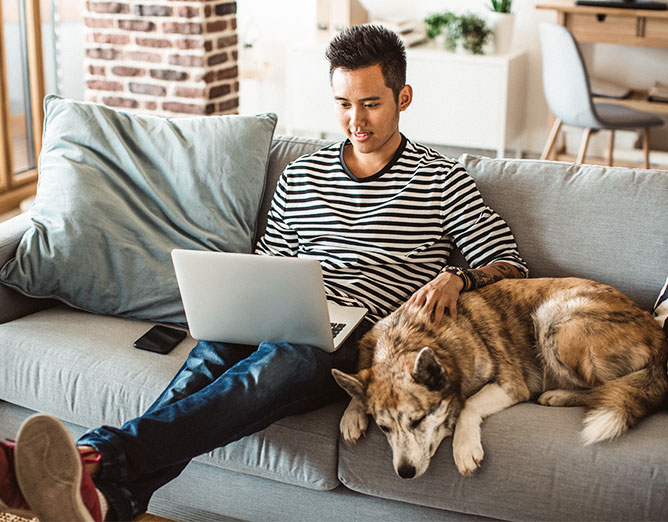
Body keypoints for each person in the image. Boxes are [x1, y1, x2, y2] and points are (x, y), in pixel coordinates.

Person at [0, 25, 528, 521]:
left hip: (368, 337)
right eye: (343, 105)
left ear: (402, 98)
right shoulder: (302, 175)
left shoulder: (441, 179)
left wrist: (458, 277)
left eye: (371, 104)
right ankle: (111, 496)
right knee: (207, 362)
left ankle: (95, 458)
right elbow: (271, 263)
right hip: (290, 311)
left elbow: (510, 262)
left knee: (280, 361)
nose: (356, 121)